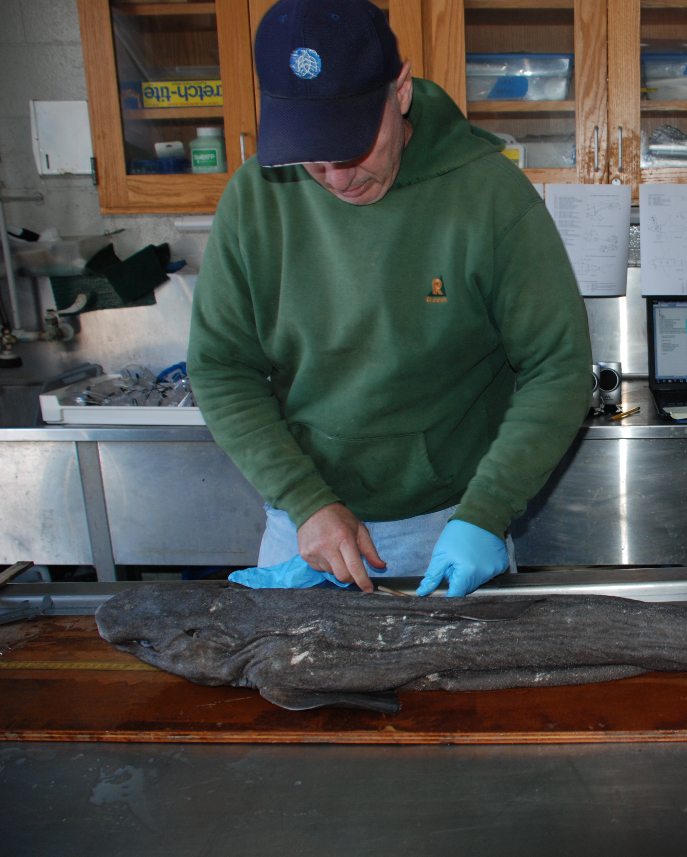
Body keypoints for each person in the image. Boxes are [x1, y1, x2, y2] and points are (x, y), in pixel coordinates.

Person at [188, 0, 592, 597]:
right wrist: (305, 503)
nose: (337, 177)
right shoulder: (253, 200)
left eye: (353, 148)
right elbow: (221, 368)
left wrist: (486, 513)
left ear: (399, 91)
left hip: (446, 525)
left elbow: (557, 367)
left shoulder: (491, 197)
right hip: (304, 528)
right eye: (312, 157)